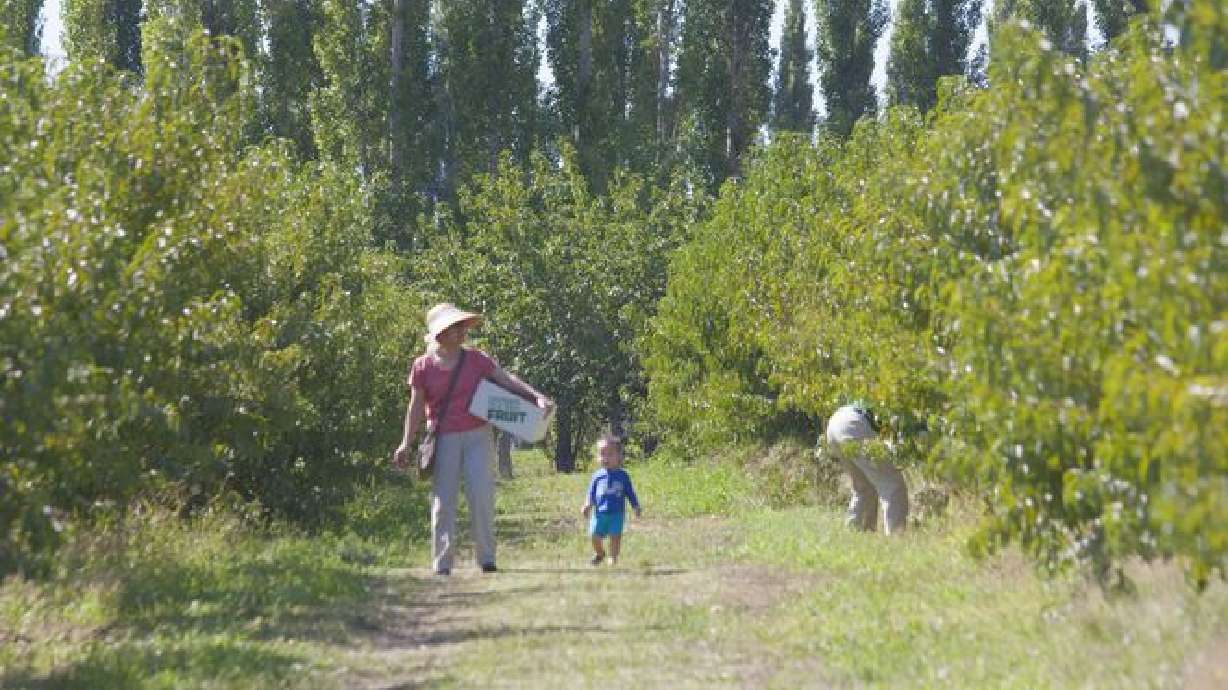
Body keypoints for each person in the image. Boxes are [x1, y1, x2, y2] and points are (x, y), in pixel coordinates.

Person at [393, 303, 553, 575]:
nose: (460, 332)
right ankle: (442, 563)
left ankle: (487, 559)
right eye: (454, 328)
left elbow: (505, 379)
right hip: (443, 438)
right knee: (443, 500)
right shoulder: (422, 366)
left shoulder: (477, 359)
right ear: (439, 334)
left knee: (481, 494)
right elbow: (416, 407)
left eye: (461, 327)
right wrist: (405, 443)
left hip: (479, 435)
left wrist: (535, 396)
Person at [825, 402, 909, 534]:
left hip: (837, 421)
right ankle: (896, 539)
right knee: (892, 484)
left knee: (864, 486)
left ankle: (856, 534)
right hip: (855, 424)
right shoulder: (905, 403)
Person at [580, 437, 642, 566]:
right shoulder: (597, 476)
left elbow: (630, 492)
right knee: (594, 535)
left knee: (615, 537)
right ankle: (600, 553)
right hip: (599, 513)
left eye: (610, 454)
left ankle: (613, 557)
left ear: (619, 456)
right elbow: (591, 493)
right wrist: (587, 505)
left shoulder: (623, 476)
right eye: (602, 454)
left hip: (617, 513)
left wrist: (635, 506)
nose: (605, 458)